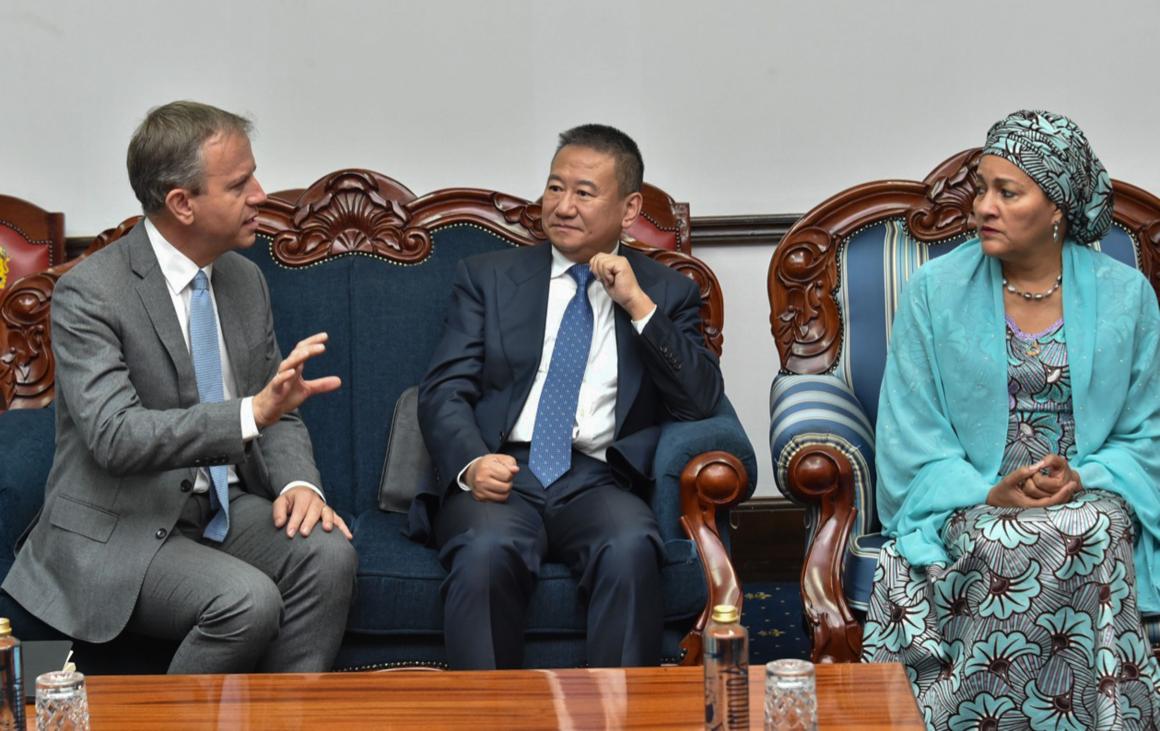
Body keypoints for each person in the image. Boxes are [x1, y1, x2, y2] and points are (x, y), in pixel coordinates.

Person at [1, 101, 357, 674]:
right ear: (182, 204)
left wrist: (299, 484)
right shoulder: (91, 293)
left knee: (328, 554)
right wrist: (250, 414)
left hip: (221, 509)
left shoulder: (244, 280)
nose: (261, 195)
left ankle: (285, 714)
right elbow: (114, 436)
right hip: (122, 526)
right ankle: (166, 716)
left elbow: (279, 409)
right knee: (246, 602)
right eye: (239, 184)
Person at [862, 110, 1160, 729]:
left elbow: (1147, 429)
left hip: (1091, 489)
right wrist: (987, 492)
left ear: (1057, 208)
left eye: (1008, 192)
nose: (983, 208)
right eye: (981, 189)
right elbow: (909, 430)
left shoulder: (1127, 295)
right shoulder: (933, 292)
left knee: (1093, 529)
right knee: (1001, 538)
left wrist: (1082, 476)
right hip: (971, 494)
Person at [410, 124, 723, 669]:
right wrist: (471, 462)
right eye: (555, 187)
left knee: (630, 547)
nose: (563, 206)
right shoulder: (488, 278)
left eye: (584, 192)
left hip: (597, 479)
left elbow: (700, 400)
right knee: (486, 552)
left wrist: (637, 305)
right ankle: (487, 713)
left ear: (628, 210)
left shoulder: (666, 292)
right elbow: (444, 389)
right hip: (503, 472)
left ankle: (618, 712)